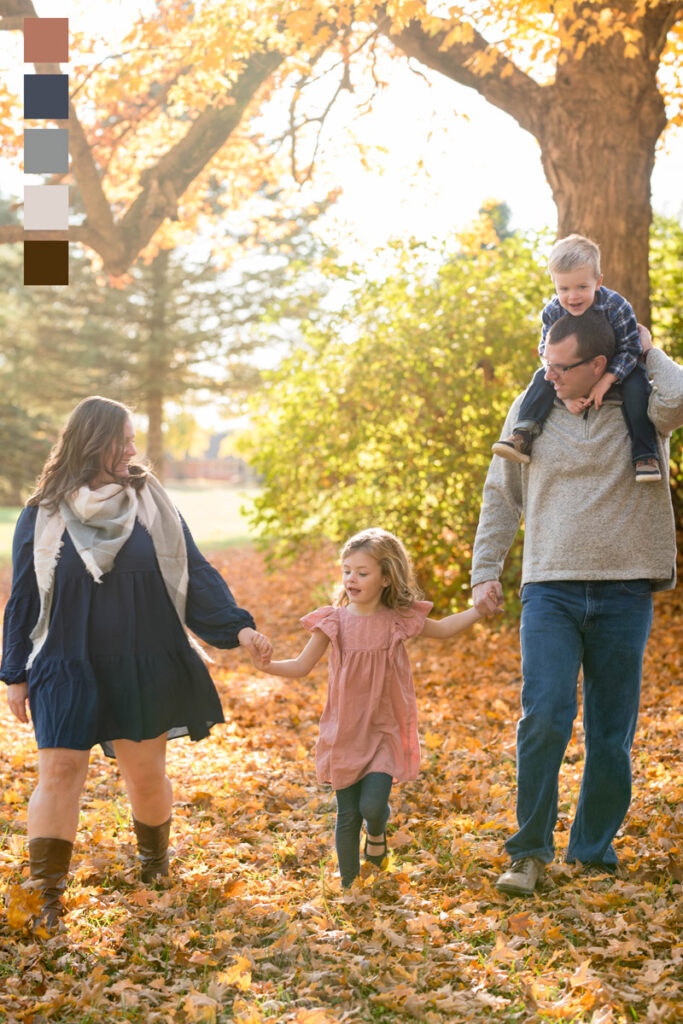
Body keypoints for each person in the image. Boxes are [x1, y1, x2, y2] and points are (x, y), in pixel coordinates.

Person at [1, 396, 272, 931]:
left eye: (132, 438)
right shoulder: (43, 511)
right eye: (121, 439)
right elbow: (25, 595)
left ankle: (154, 869)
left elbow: (192, 571)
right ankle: (46, 895)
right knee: (59, 770)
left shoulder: (152, 503)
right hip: (65, 659)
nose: (132, 448)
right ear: (92, 441)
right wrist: (15, 672)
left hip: (142, 654)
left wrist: (237, 628)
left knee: (145, 776)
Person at [472, 310, 682, 897]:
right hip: (550, 588)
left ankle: (592, 851)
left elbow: (681, 396)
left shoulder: (644, 408)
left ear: (598, 364)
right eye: (546, 363)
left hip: (625, 589)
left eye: (563, 368)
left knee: (611, 732)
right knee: (544, 717)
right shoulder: (533, 408)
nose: (550, 376)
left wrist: (646, 349)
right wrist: (484, 571)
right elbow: (501, 494)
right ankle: (528, 852)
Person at [251, 527, 491, 889]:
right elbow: (301, 667)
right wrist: (266, 666)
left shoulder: (397, 619)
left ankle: (377, 831)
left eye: (362, 572)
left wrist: (478, 610)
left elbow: (441, 629)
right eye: (347, 570)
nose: (352, 579)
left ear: (385, 577)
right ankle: (350, 887)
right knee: (347, 814)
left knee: (372, 808)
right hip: (345, 730)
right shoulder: (334, 621)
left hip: (384, 728)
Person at [492, 233, 661, 482]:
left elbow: (630, 349)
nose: (573, 296)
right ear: (555, 285)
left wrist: (606, 381)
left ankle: (645, 454)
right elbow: (545, 353)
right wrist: (565, 394)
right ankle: (523, 435)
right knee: (542, 376)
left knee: (638, 386)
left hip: (616, 366)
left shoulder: (617, 306)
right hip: (569, 369)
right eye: (564, 288)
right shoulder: (552, 312)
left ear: (598, 281)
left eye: (582, 287)